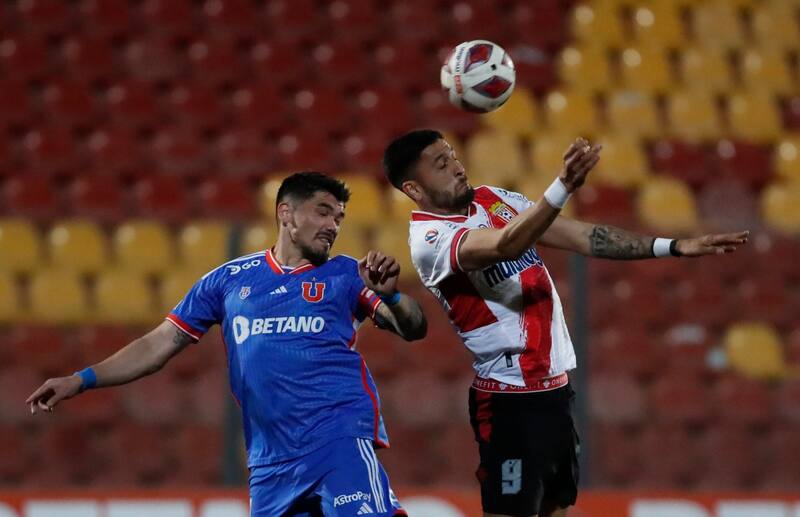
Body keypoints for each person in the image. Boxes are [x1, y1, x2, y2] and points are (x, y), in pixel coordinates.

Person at [382, 130, 748, 517]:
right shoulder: (429, 239)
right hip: (509, 401)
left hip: (555, 391)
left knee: (557, 510)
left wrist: (671, 246)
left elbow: (581, 235)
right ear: (414, 188)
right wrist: (563, 186)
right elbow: (506, 244)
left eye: (453, 156)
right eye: (441, 164)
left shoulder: (495, 198)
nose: (457, 167)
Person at [27, 171, 427, 517]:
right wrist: (81, 379)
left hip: (337, 439)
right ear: (285, 213)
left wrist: (391, 296)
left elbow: (411, 326)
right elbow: (159, 344)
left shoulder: (347, 274)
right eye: (323, 211)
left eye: (339, 217)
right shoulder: (228, 281)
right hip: (270, 465)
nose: (333, 225)